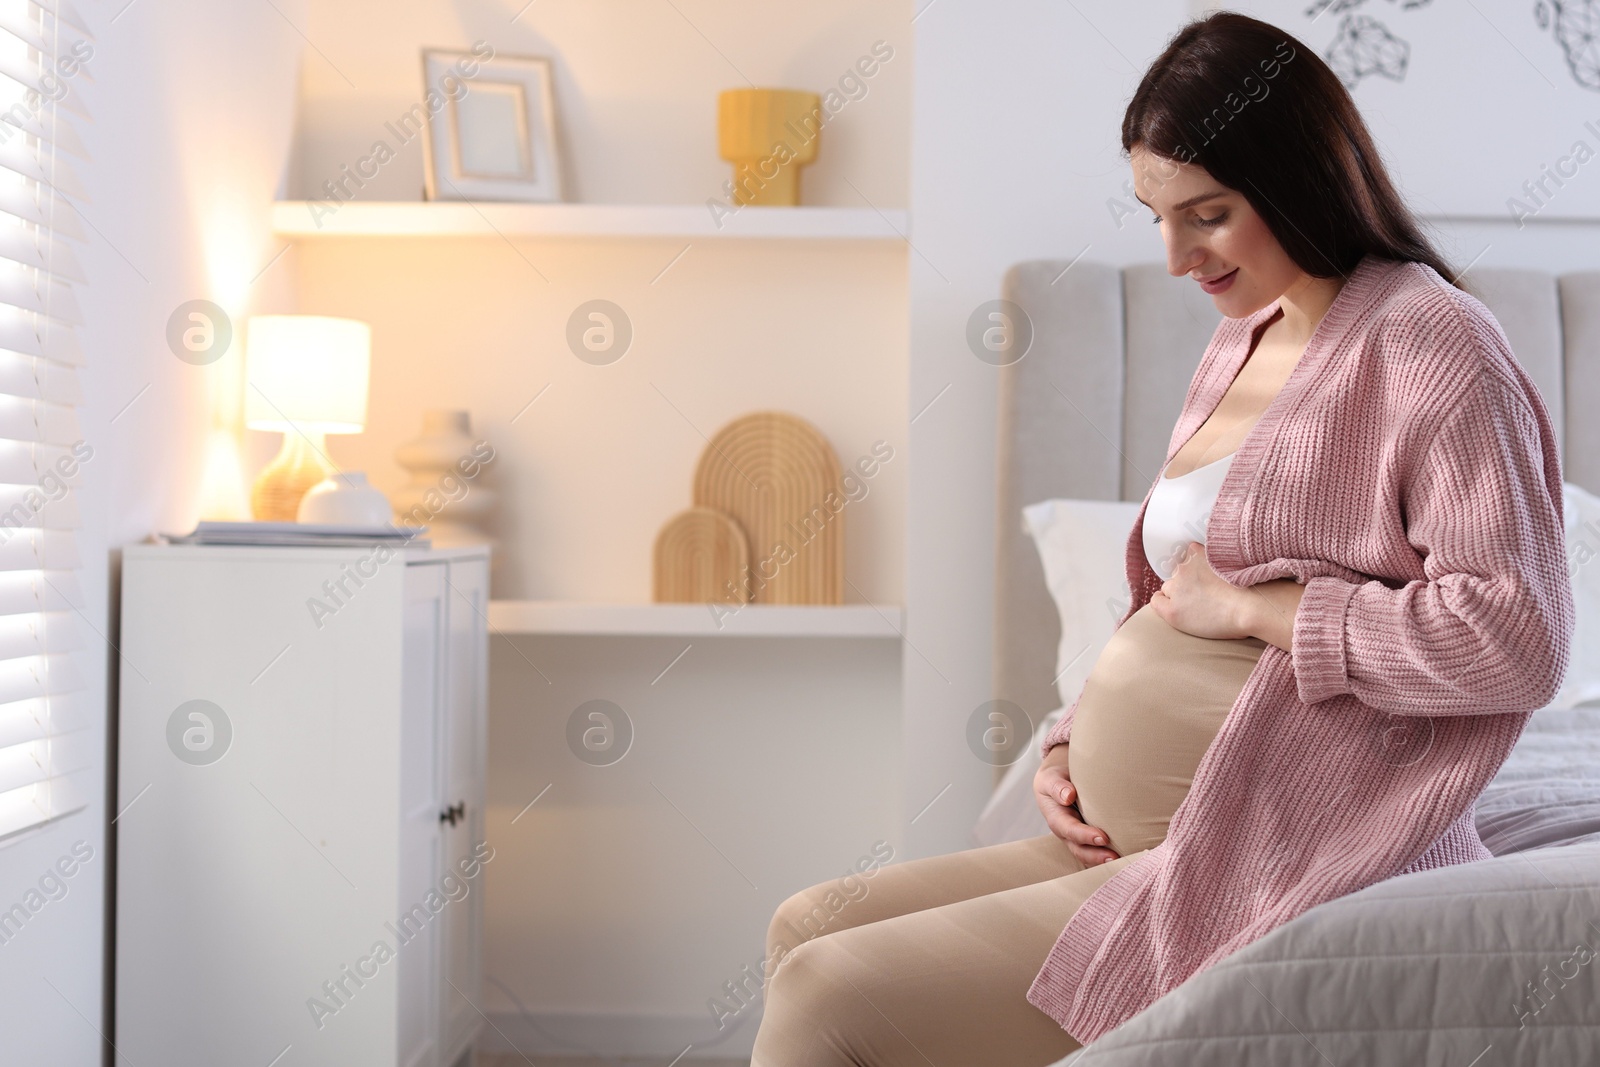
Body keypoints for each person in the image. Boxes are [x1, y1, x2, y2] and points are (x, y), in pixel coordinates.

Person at [749, 11, 1573, 1066]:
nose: (1178, 255)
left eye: (1210, 215)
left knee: (827, 995)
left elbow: (1515, 638)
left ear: (1302, 179)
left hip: (1283, 848)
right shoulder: (1247, 330)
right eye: (1156, 216)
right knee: (802, 927)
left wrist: (1258, 610)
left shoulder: (1430, 343)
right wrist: (1066, 741)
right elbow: (1157, 599)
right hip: (1159, 827)